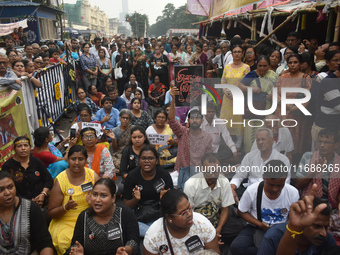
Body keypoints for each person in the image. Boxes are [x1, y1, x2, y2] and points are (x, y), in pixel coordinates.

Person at [230, 160, 299, 255]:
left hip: (282, 230)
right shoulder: (252, 190)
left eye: (280, 185)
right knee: (237, 247)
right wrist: (260, 224)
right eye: (271, 184)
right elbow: (241, 211)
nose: (275, 189)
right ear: (263, 177)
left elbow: (294, 218)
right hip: (256, 228)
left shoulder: (293, 192)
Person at [48, 145, 100, 255]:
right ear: (68, 159)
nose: (76, 163)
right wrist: (65, 207)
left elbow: (107, 201)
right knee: (66, 242)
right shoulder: (61, 180)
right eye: (73, 159)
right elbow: (52, 213)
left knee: (98, 239)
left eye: (80, 159)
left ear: (86, 160)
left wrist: (93, 204)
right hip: (66, 221)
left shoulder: (92, 175)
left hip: (90, 217)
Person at [258, 185, 336, 255]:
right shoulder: (274, 236)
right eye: (316, 226)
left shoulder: (327, 240)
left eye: (326, 227)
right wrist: (294, 228)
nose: (323, 233)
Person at [69, 178, 139, 255]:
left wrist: (125, 250)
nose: (97, 199)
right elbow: (76, 243)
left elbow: (133, 241)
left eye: (103, 195)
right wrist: (76, 251)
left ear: (113, 198)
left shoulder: (125, 213)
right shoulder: (84, 216)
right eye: (95, 194)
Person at [143, 189, 220, 255]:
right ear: (169, 218)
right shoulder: (154, 237)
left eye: (189, 208)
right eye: (183, 213)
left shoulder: (203, 225)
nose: (189, 214)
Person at [124, 145, 173, 237]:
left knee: (172, 220)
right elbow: (127, 205)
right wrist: (135, 199)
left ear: (156, 160)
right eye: (143, 158)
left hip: (159, 213)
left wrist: (164, 198)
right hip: (139, 216)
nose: (147, 161)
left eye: (150, 158)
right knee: (129, 224)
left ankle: (152, 234)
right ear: (139, 160)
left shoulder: (164, 175)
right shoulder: (132, 176)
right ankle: (157, 234)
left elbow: (172, 203)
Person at [0, 171, 55, 254]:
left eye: (10, 187)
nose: (8, 193)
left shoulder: (31, 208)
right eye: (1, 190)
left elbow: (44, 243)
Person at [168, 87, 213, 189]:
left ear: (202, 120)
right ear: (188, 120)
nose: (195, 120)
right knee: (167, 181)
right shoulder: (182, 132)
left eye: (197, 118)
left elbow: (209, 157)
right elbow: (171, 119)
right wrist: (173, 100)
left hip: (199, 172)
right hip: (181, 170)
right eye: (192, 118)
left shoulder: (207, 137)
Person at [230, 128, 291, 203]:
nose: (260, 142)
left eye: (263, 139)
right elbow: (239, 175)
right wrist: (232, 187)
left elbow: (285, 184)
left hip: (273, 194)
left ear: (272, 141)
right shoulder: (249, 156)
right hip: (251, 193)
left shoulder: (283, 159)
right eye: (258, 140)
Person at [184, 153, 235, 236]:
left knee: (237, 227)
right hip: (196, 220)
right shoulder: (190, 184)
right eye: (209, 172)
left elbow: (225, 208)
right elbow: (189, 213)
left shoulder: (224, 181)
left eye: (215, 171)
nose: (213, 175)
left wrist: (219, 228)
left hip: (217, 216)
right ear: (202, 169)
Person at [238, 55, 278, 153]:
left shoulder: (273, 75)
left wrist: (273, 94)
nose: (262, 68)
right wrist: (252, 89)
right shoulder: (252, 75)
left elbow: (278, 89)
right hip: (252, 109)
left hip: (267, 109)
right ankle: (250, 156)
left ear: (269, 65)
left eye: (265, 66)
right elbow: (240, 86)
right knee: (250, 135)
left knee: (264, 133)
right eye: (260, 65)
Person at [276, 53, 312, 155]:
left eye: (295, 62)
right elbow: (276, 93)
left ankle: (292, 160)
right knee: (280, 136)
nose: (292, 65)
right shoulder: (282, 77)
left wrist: (294, 108)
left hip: (296, 113)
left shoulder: (306, 78)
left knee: (293, 138)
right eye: (290, 63)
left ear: (300, 64)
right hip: (281, 112)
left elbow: (307, 97)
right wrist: (285, 104)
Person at [2, 136, 53, 207]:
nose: (23, 148)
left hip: (41, 200)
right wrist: (27, 202)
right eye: (19, 146)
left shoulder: (36, 161)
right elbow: (7, 188)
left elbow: (48, 180)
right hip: (19, 204)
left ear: (30, 147)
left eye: (26, 145)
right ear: (14, 149)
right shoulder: (8, 166)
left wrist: (43, 194)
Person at [295, 129, 340, 209]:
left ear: (336, 145)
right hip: (308, 203)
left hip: (332, 206)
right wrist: (313, 173)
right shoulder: (308, 157)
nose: (322, 145)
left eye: (326, 142)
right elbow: (297, 185)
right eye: (320, 142)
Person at [220, 45, 250, 150]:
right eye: (234, 52)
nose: (237, 53)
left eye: (239, 52)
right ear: (231, 54)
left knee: (238, 119)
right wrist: (225, 91)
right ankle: (226, 143)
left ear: (242, 54)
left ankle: (238, 143)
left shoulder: (246, 67)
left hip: (240, 98)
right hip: (227, 98)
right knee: (226, 120)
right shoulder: (227, 67)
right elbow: (223, 81)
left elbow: (247, 83)